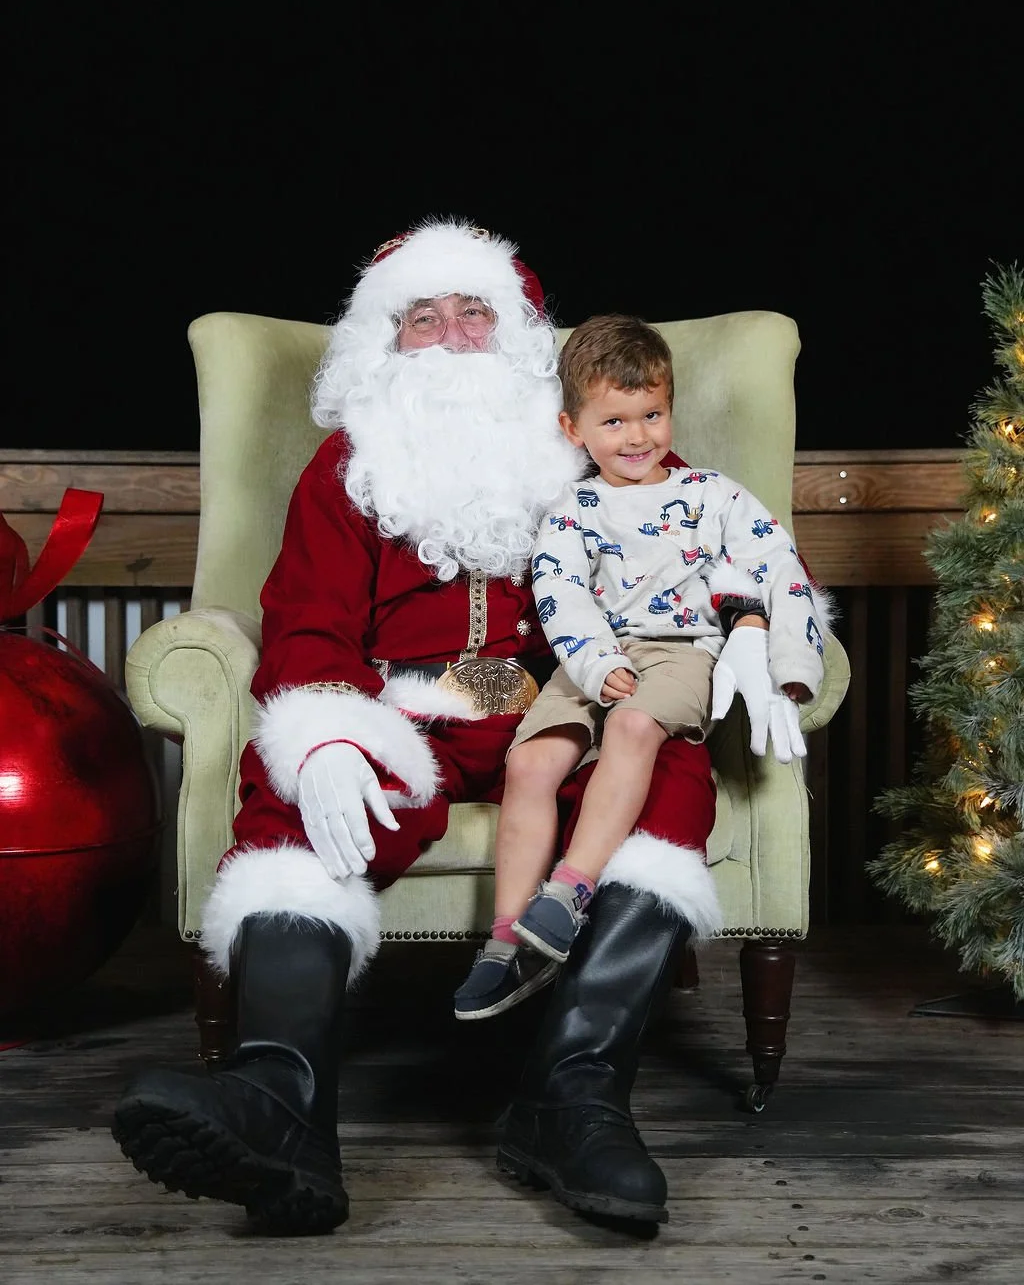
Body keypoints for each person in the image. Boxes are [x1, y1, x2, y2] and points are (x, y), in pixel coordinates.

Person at [111, 218, 831, 1235]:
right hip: (407, 703)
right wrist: (320, 736)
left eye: (474, 311)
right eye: (421, 317)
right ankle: (281, 1109)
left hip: (558, 693)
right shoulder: (347, 466)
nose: (450, 335)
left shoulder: (596, 437)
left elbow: (697, 539)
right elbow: (309, 618)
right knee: (297, 798)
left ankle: (570, 1096)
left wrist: (750, 631)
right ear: (384, 342)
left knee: (667, 778)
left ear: (520, 336)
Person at [453, 314, 824, 1021]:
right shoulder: (573, 507)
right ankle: (505, 941)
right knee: (530, 763)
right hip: (593, 655)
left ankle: (568, 891)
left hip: (682, 654)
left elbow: (780, 568)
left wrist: (789, 663)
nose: (637, 436)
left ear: (670, 409)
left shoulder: (712, 494)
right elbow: (557, 591)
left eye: (652, 414)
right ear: (574, 430)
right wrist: (593, 664)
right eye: (615, 421)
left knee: (630, 728)